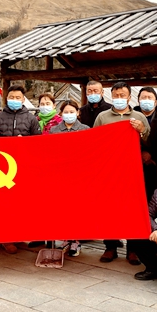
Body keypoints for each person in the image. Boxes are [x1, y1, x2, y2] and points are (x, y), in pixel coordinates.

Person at [93, 81, 150, 265]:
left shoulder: (139, 117)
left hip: (132, 170)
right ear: (111, 96)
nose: (119, 98)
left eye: (122, 95)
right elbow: (94, 140)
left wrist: (141, 130)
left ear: (129, 97)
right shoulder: (102, 117)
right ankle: (110, 246)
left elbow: (149, 142)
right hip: (108, 170)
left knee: (131, 209)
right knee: (109, 208)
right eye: (116, 95)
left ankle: (132, 249)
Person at [0, 85, 41, 255]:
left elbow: (38, 144)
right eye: (11, 97)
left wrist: (25, 144)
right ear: (6, 98)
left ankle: (13, 237)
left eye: (18, 97)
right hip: (1, 168)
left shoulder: (31, 119)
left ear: (23, 99)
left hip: (23, 167)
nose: (14, 100)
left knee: (17, 205)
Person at [49, 100, 89, 256]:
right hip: (60, 174)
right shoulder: (54, 130)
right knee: (63, 207)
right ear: (61, 114)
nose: (69, 114)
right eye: (66, 112)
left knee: (77, 208)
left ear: (78, 113)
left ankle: (76, 240)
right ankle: (65, 238)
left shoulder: (85, 129)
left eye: (72, 112)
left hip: (79, 174)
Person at [134, 87, 157, 201]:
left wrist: (151, 155)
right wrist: (142, 152)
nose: (146, 100)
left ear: (155, 101)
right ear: (138, 101)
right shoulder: (134, 116)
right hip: (138, 163)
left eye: (149, 97)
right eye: (143, 98)